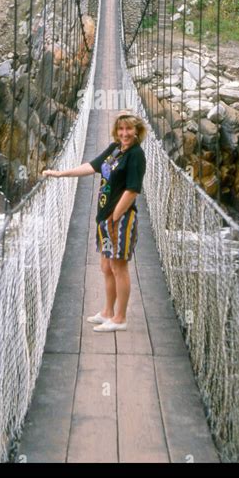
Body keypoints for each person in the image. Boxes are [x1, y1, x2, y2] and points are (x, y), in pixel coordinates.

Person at [42, 111, 147, 332]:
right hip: (104, 218)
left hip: (120, 218)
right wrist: (61, 174)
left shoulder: (136, 155)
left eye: (129, 129)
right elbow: (92, 166)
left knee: (119, 267)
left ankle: (120, 319)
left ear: (137, 131)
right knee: (106, 266)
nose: (124, 133)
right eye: (121, 129)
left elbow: (132, 190)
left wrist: (115, 217)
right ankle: (108, 312)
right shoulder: (115, 149)